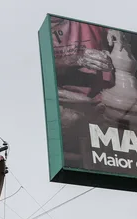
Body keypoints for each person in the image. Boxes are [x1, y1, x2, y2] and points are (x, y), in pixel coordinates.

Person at [51, 17, 114, 158]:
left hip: (103, 98)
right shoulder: (29, 28)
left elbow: (116, 26)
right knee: (72, 120)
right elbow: (37, 71)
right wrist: (76, 59)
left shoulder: (83, 15)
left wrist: (118, 33)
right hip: (63, 100)